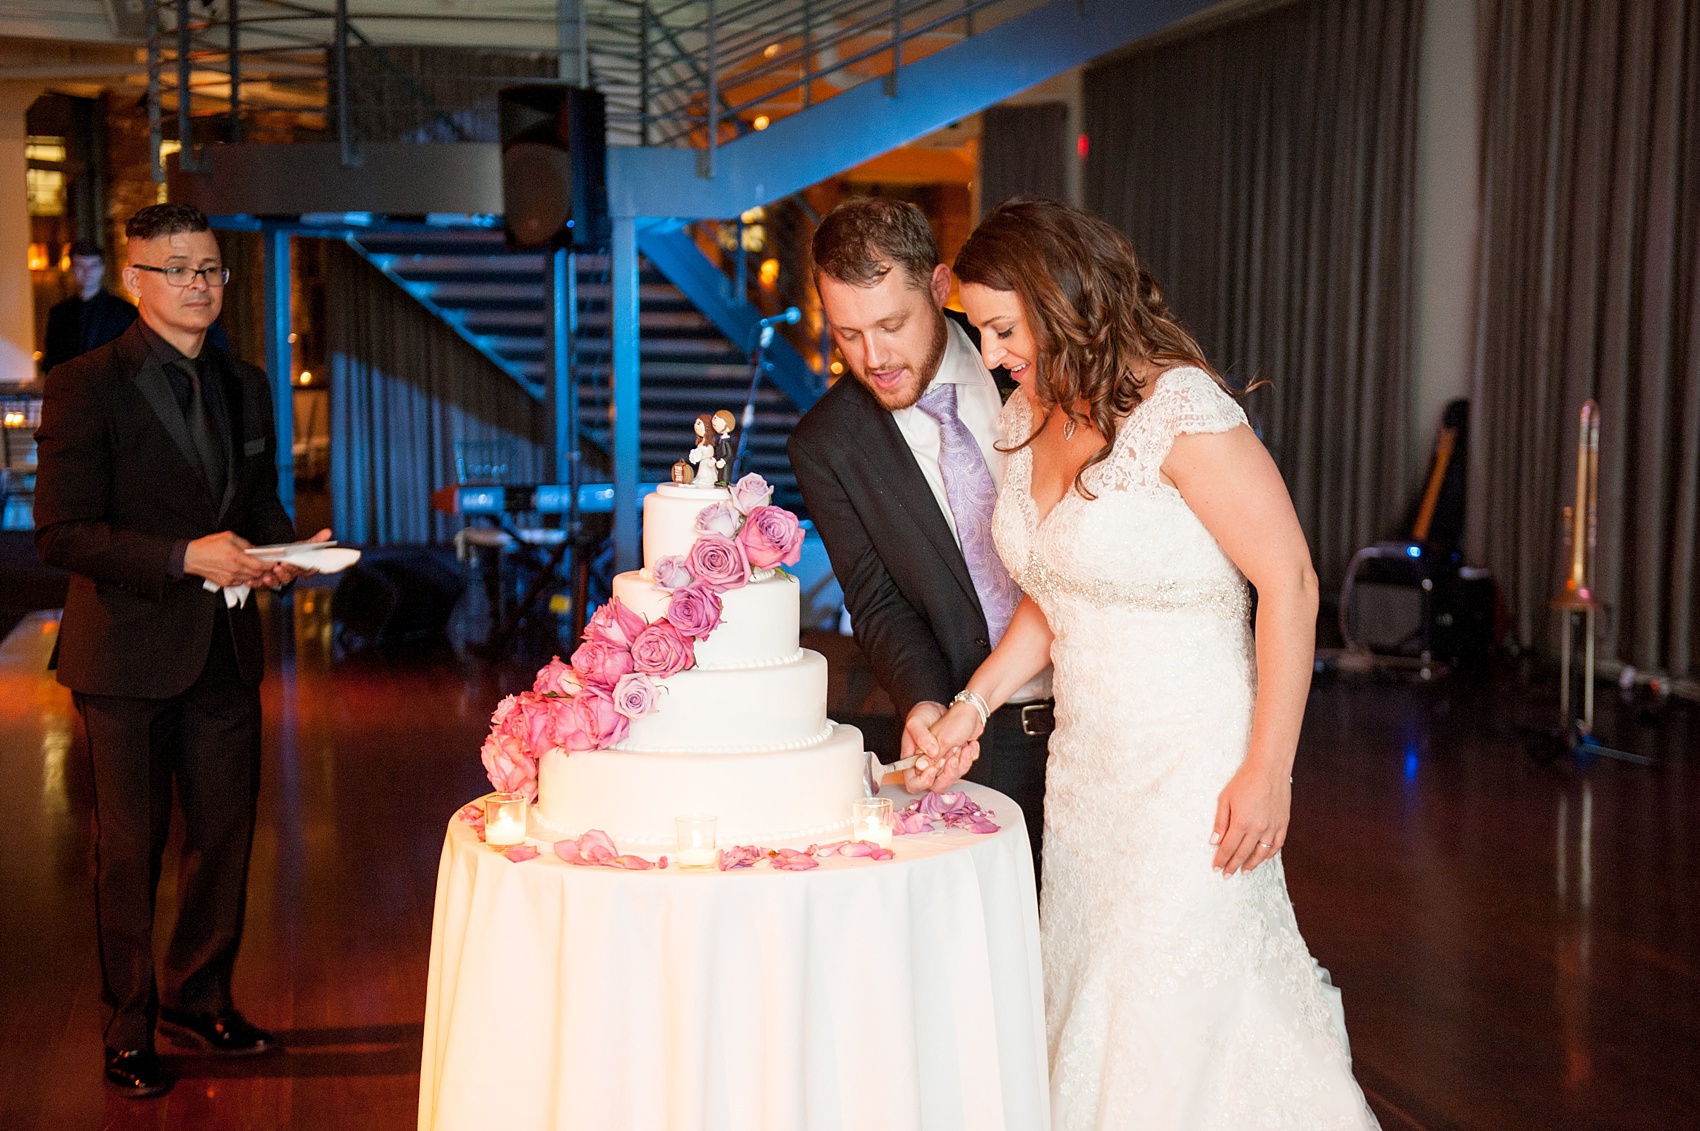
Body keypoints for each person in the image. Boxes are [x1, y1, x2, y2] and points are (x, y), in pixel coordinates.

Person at [910, 197, 1380, 1128]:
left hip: (1194, 765)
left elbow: (1289, 582)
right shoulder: (1020, 421)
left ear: (1062, 296)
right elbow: (1055, 587)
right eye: (980, 330)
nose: (993, 352)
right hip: (1088, 775)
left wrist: (1268, 770)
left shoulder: (1178, 408)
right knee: (1099, 1004)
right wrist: (972, 704)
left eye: (1003, 328)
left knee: (1183, 1003)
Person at [33, 203, 331, 1099]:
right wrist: (180, 556)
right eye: (178, 269)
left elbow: (259, 502)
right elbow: (61, 533)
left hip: (227, 645)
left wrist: (281, 554)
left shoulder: (246, 382)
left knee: (226, 839)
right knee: (129, 852)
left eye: (209, 269)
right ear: (135, 280)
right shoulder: (87, 383)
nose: (199, 284)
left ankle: (197, 996)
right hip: (123, 656)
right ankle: (128, 1029)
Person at [788, 197, 1051, 878]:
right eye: (846, 334)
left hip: (1108, 714)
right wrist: (925, 699)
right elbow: (876, 602)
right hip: (982, 741)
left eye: (892, 324)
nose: (874, 358)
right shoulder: (826, 443)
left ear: (939, 288)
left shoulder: (1033, 357)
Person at [41, 239, 138, 373]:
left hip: (110, 389)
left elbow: (133, 360)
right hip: (70, 389)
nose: (87, 272)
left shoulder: (125, 312)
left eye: (93, 265)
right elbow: (52, 361)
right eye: (80, 266)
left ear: (102, 268)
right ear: (71, 268)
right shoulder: (59, 313)